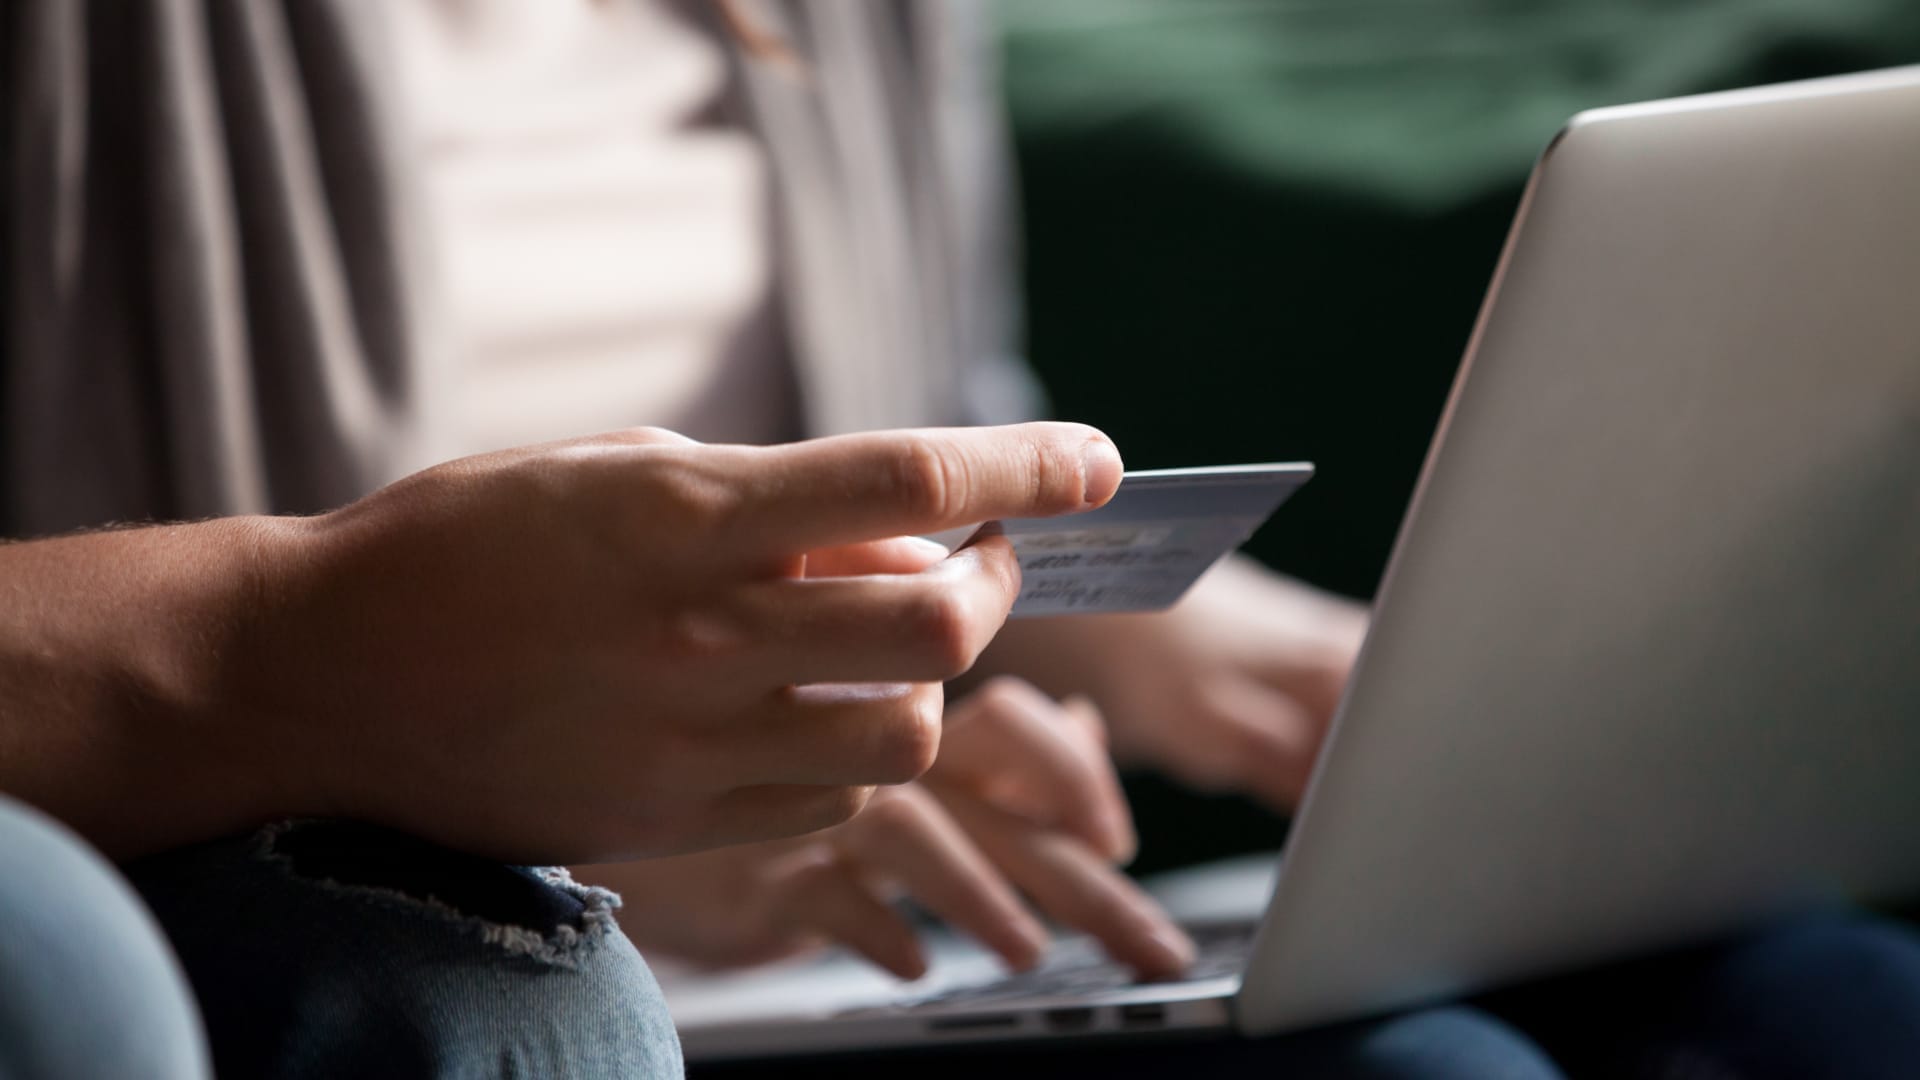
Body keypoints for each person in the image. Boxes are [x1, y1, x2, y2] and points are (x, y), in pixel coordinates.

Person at [3, 3, 1917, 1079]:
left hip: (786, 850)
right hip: (440, 871)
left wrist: (1188, 631)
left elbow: (908, 427)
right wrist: (575, 796)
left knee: (1816, 996)